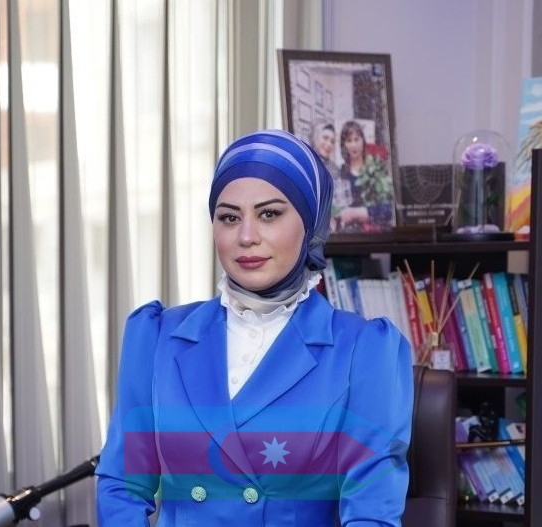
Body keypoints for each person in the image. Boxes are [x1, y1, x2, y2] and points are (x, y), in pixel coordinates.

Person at [96, 129, 414, 527]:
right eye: (229, 218)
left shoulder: (364, 351)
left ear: (311, 223)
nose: (246, 237)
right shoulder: (157, 336)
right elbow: (122, 486)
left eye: (269, 214)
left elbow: (372, 515)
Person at [337, 120, 393, 232]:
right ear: (344, 145)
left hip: (375, 234)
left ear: (363, 141)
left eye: (356, 139)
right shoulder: (341, 173)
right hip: (349, 235)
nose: (354, 145)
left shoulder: (377, 169)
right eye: (349, 140)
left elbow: (389, 209)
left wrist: (359, 213)